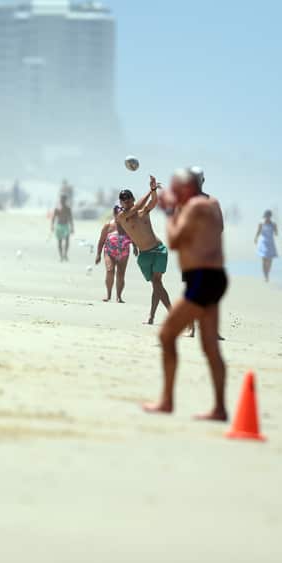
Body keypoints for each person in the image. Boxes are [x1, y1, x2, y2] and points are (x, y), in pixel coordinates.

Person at [143, 168, 227, 420]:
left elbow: (175, 241)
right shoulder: (212, 203)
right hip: (214, 277)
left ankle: (167, 401)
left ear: (186, 189)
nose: (172, 193)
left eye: (176, 189)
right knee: (210, 346)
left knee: (167, 335)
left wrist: (171, 211)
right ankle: (219, 408)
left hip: (201, 280)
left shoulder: (192, 207)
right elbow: (214, 230)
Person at [115, 177, 174, 326]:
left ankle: (172, 315)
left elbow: (153, 203)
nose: (126, 201)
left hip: (158, 250)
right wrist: (151, 190)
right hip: (144, 255)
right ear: (120, 203)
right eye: (123, 200)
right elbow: (136, 208)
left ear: (132, 198)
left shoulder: (143, 212)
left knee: (156, 283)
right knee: (157, 284)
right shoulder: (122, 217)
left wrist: (154, 192)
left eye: (128, 198)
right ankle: (152, 316)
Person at [95, 205, 136, 302]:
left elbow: (133, 236)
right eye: (119, 214)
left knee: (121, 274)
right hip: (109, 251)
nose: (121, 216)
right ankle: (108, 295)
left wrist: (135, 247)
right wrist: (98, 254)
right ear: (114, 214)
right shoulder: (108, 226)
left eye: (123, 214)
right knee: (110, 270)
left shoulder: (128, 225)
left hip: (124, 252)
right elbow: (101, 241)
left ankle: (119, 296)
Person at [254, 210, 278, 282]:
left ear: (270, 216)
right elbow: (258, 231)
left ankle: (268, 273)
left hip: (270, 242)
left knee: (270, 260)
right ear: (264, 216)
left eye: (269, 216)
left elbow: (276, 233)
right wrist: (256, 238)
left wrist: (275, 229)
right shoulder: (261, 223)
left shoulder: (273, 224)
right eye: (266, 216)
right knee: (264, 259)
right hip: (263, 242)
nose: (267, 217)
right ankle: (265, 275)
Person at [51, 193, 74, 261]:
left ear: (65, 200)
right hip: (59, 226)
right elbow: (53, 218)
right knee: (59, 241)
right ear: (60, 200)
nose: (62, 201)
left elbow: (70, 218)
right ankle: (61, 256)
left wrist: (72, 227)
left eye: (64, 200)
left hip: (66, 226)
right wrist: (52, 226)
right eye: (61, 200)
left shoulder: (68, 209)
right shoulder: (57, 209)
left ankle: (65, 254)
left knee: (67, 240)